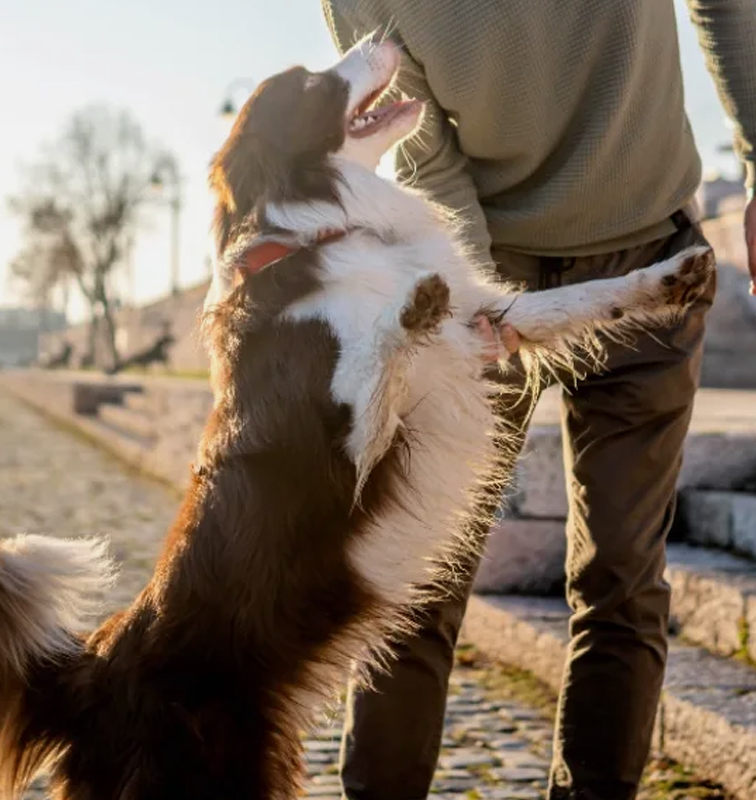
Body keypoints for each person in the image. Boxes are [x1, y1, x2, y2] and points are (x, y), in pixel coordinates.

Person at [320, 2, 756, 799]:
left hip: (652, 264)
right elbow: (424, 146)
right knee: (421, 581)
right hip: (480, 273)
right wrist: (484, 300)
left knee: (622, 577)